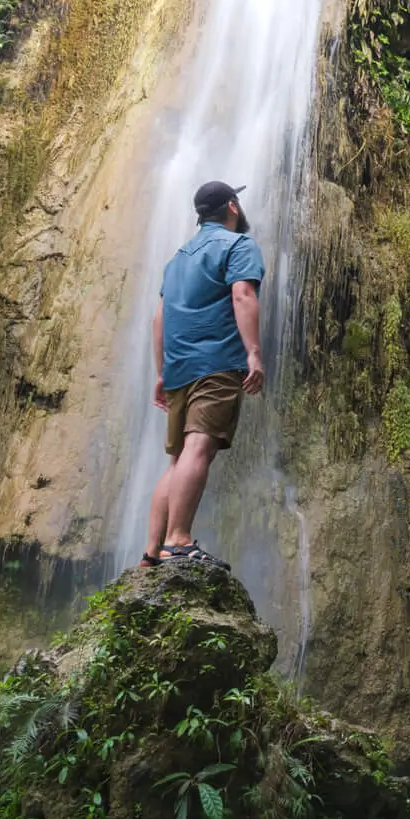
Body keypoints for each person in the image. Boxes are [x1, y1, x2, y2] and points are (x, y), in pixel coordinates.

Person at [142, 180, 266, 568]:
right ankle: (178, 540)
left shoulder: (177, 258)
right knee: (200, 447)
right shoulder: (238, 246)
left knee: (178, 458)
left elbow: (159, 317)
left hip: (178, 367)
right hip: (215, 363)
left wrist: (162, 372)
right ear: (232, 206)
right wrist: (254, 354)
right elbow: (242, 295)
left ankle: (152, 551)